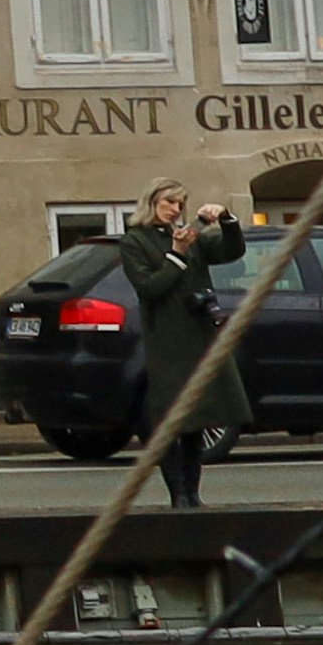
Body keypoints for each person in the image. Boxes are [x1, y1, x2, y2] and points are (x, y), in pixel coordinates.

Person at [115, 181, 253, 513]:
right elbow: (150, 287)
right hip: (166, 340)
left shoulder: (190, 236)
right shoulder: (134, 241)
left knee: (197, 418)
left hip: (199, 334)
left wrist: (227, 220)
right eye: (169, 202)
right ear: (152, 202)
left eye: (180, 204)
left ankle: (192, 494)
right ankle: (177, 494)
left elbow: (231, 251)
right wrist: (176, 255)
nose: (175, 209)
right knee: (170, 421)